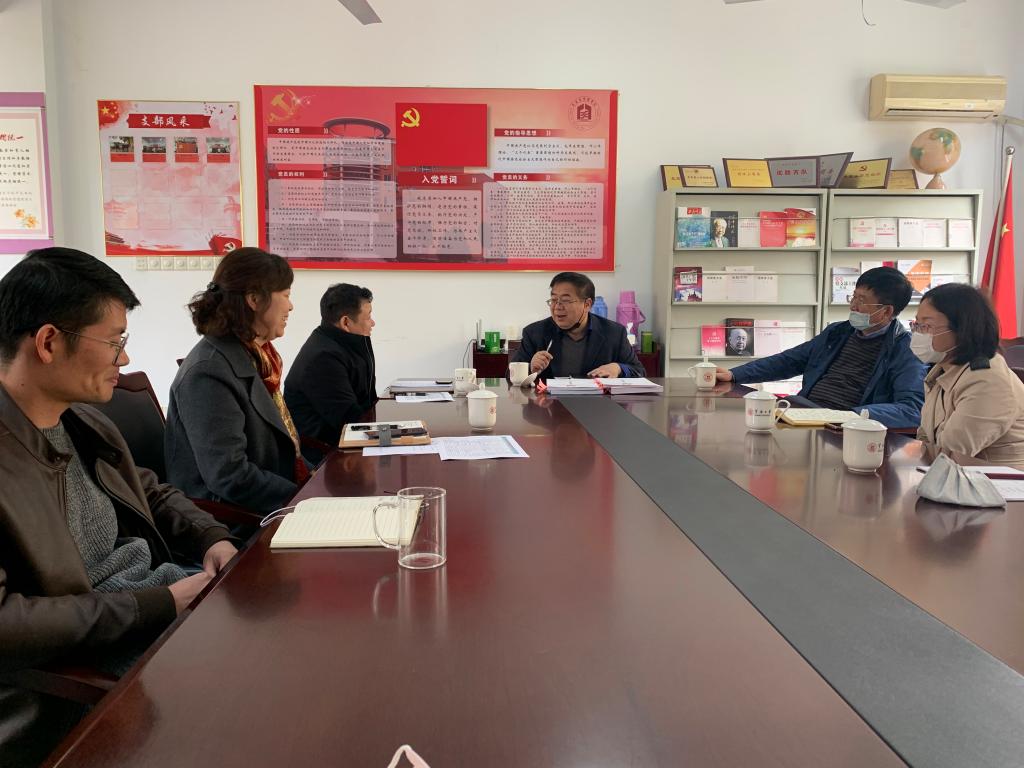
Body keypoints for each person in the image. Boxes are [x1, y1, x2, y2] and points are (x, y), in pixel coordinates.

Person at [0, 248, 237, 766]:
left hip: (159, 603)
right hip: (91, 661)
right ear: (48, 342)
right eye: (114, 342)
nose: (123, 360)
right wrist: (161, 603)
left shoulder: (80, 419)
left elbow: (147, 488)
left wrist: (211, 537)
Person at [165, 247, 308, 515]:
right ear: (254, 299)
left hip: (270, 500)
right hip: (236, 520)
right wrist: (306, 498)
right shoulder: (208, 372)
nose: (290, 306)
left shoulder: (257, 358)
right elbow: (230, 476)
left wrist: (316, 480)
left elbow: (282, 452)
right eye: (286, 295)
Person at [716, 267, 925, 427]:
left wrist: (853, 416)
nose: (853, 305)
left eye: (862, 300)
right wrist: (734, 375)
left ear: (886, 312)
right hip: (804, 412)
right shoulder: (838, 332)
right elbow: (789, 361)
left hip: (844, 428)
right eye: (854, 296)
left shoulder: (905, 349)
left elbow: (912, 409)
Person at [914, 283, 1024, 468]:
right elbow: (925, 437)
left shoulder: (987, 380)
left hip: (1000, 482)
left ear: (962, 329)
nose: (918, 333)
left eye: (927, 325)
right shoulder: (942, 371)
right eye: (917, 324)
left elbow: (952, 452)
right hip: (956, 475)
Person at [285, 283, 378, 461]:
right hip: (324, 458)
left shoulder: (344, 345)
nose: (373, 323)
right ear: (346, 322)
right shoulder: (323, 357)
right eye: (368, 317)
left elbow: (366, 401)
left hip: (344, 445)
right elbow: (351, 421)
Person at [511, 272, 644, 380]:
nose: (557, 307)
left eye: (565, 300)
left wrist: (618, 368)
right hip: (549, 403)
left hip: (596, 403)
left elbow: (639, 371)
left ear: (587, 304)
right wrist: (530, 368)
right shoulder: (534, 333)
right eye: (554, 300)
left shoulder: (614, 333)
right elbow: (510, 375)